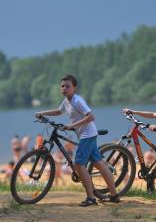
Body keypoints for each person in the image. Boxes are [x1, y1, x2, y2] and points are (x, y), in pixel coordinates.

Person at [35, 74, 120, 206]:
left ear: (74, 88)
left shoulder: (77, 100)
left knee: (79, 165)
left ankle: (91, 198)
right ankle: (114, 195)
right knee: (99, 164)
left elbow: (91, 117)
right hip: (86, 134)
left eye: (67, 86)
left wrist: (71, 126)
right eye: (62, 86)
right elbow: (59, 111)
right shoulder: (67, 101)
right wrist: (43, 113)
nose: (64, 88)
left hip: (87, 134)